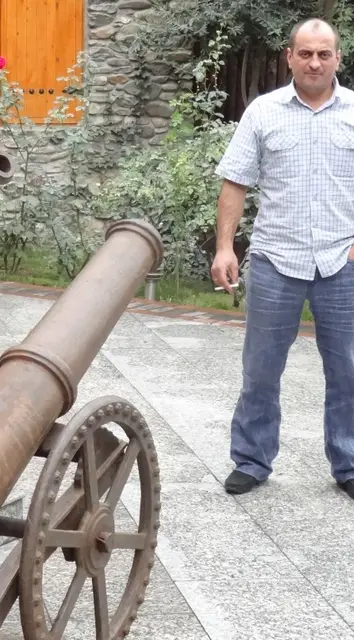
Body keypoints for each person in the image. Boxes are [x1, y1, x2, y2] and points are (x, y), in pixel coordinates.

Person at [211, 17, 354, 498]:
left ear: (337, 58)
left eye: (324, 54)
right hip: (276, 260)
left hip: (343, 263)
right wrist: (225, 248)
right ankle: (252, 461)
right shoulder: (263, 112)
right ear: (289, 57)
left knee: (349, 371)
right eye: (305, 53)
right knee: (260, 370)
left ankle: (350, 463)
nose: (315, 62)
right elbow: (235, 182)